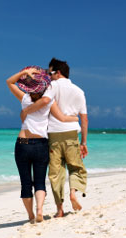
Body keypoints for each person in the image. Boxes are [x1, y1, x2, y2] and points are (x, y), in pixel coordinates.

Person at [6, 66, 78, 223]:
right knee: (39, 181)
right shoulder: (49, 101)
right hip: (41, 144)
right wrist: (75, 118)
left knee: (25, 182)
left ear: (28, 86)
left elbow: (9, 82)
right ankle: (40, 209)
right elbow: (62, 118)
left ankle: (31, 216)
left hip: (22, 143)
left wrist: (24, 73)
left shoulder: (25, 99)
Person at [21, 58, 88, 217]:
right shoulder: (79, 91)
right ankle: (73, 193)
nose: (48, 76)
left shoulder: (51, 86)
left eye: (49, 73)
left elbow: (45, 100)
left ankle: (59, 210)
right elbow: (84, 119)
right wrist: (84, 142)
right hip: (72, 133)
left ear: (58, 73)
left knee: (56, 173)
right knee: (76, 167)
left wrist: (27, 111)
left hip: (53, 135)